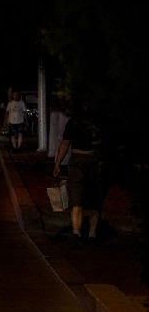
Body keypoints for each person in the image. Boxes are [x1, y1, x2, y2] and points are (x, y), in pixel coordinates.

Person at [53, 104, 104, 244]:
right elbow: (65, 144)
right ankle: (81, 232)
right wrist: (58, 163)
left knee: (87, 198)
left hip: (87, 161)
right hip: (84, 160)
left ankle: (84, 232)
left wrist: (58, 163)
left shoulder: (85, 122)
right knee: (82, 198)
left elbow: (65, 144)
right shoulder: (82, 122)